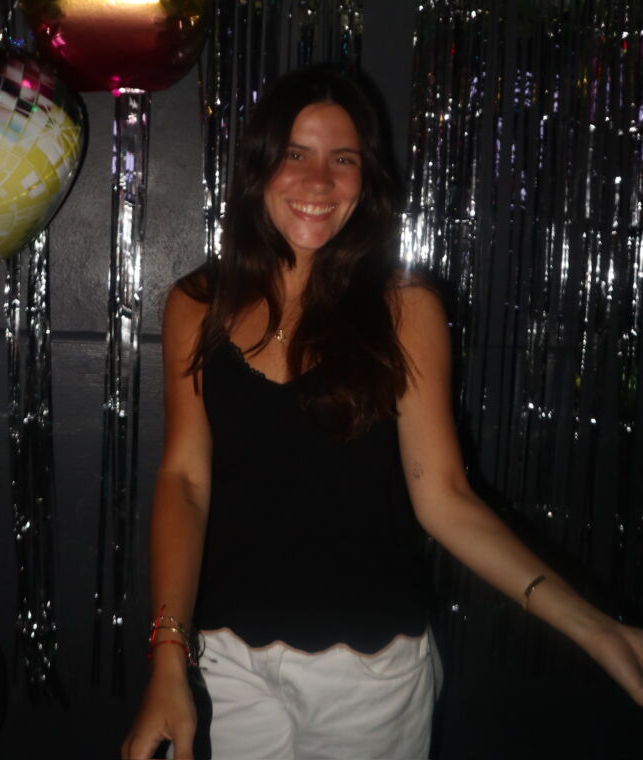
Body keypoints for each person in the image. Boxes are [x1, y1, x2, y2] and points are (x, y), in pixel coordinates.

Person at [122, 65, 643, 760]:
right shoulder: (197, 305)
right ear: (258, 167)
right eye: (295, 154)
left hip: (369, 675)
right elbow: (184, 482)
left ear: (365, 179)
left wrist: (598, 630)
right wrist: (168, 657)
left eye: (343, 160)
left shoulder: (403, 309)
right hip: (225, 662)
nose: (318, 182)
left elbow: (445, 500)